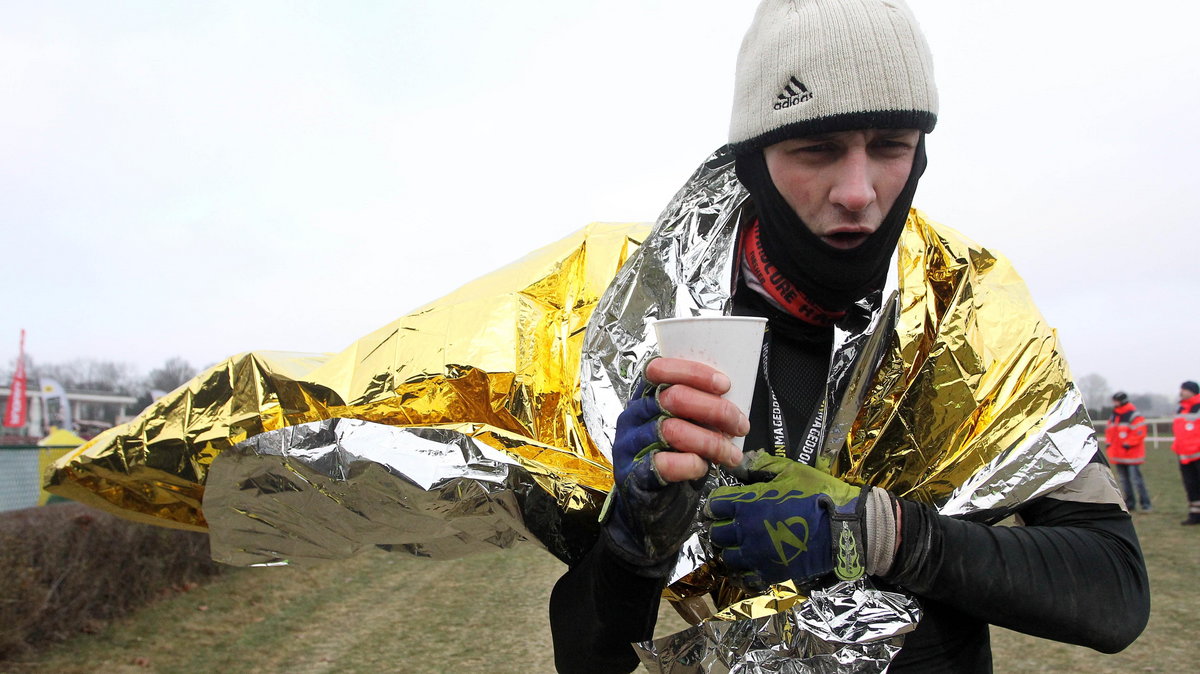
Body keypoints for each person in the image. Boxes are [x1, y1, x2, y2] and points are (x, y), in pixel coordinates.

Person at [550, 1, 1149, 672]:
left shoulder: (968, 312)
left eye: (892, 145)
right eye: (817, 148)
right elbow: (588, 657)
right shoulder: (652, 333)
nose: (859, 191)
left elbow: (1115, 593)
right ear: (755, 159)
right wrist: (635, 537)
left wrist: (876, 534)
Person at [1106, 391, 1152, 511]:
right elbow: (1110, 431)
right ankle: (1130, 503)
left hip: (1132, 455)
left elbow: (1140, 432)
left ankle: (1145, 503)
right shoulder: (1114, 415)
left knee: (1136, 480)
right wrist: (1109, 443)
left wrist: (1128, 443)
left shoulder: (1133, 415)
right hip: (1119, 455)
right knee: (1124, 481)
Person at [1172, 380, 1200, 525]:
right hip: (1184, 455)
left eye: (1184, 389)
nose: (1181, 392)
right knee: (1191, 486)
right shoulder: (1181, 409)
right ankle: (1195, 514)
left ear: (1192, 391)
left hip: (1197, 453)